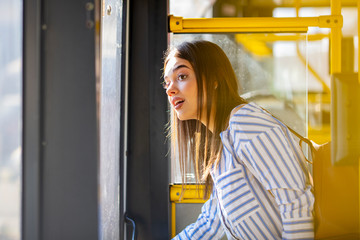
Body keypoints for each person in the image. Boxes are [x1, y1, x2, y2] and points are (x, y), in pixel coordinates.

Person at [163, 40, 314, 240]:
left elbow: (295, 203)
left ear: (214, 79)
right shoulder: (221, 145)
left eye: (181, 76)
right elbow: (211, 224)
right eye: (167, 82)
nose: (170, 89)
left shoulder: (244, 122)